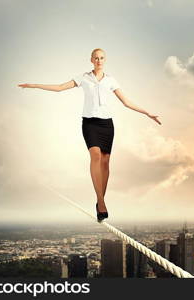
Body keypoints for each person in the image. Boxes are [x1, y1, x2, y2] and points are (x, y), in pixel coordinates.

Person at [18, 48, 161, 222]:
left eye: (102, 58)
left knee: (106, 161)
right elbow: (60, 88)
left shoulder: (110, 80)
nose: (99, 60)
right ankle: (101, 203)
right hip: (90, 124)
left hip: (107, 124)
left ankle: (100, 200)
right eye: (96, 58)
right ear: (91, 60)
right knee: (95, 155)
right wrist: (34, 85)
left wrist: (147, 113)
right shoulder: (84, 77)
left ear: (105, 60)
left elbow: (126, 102)